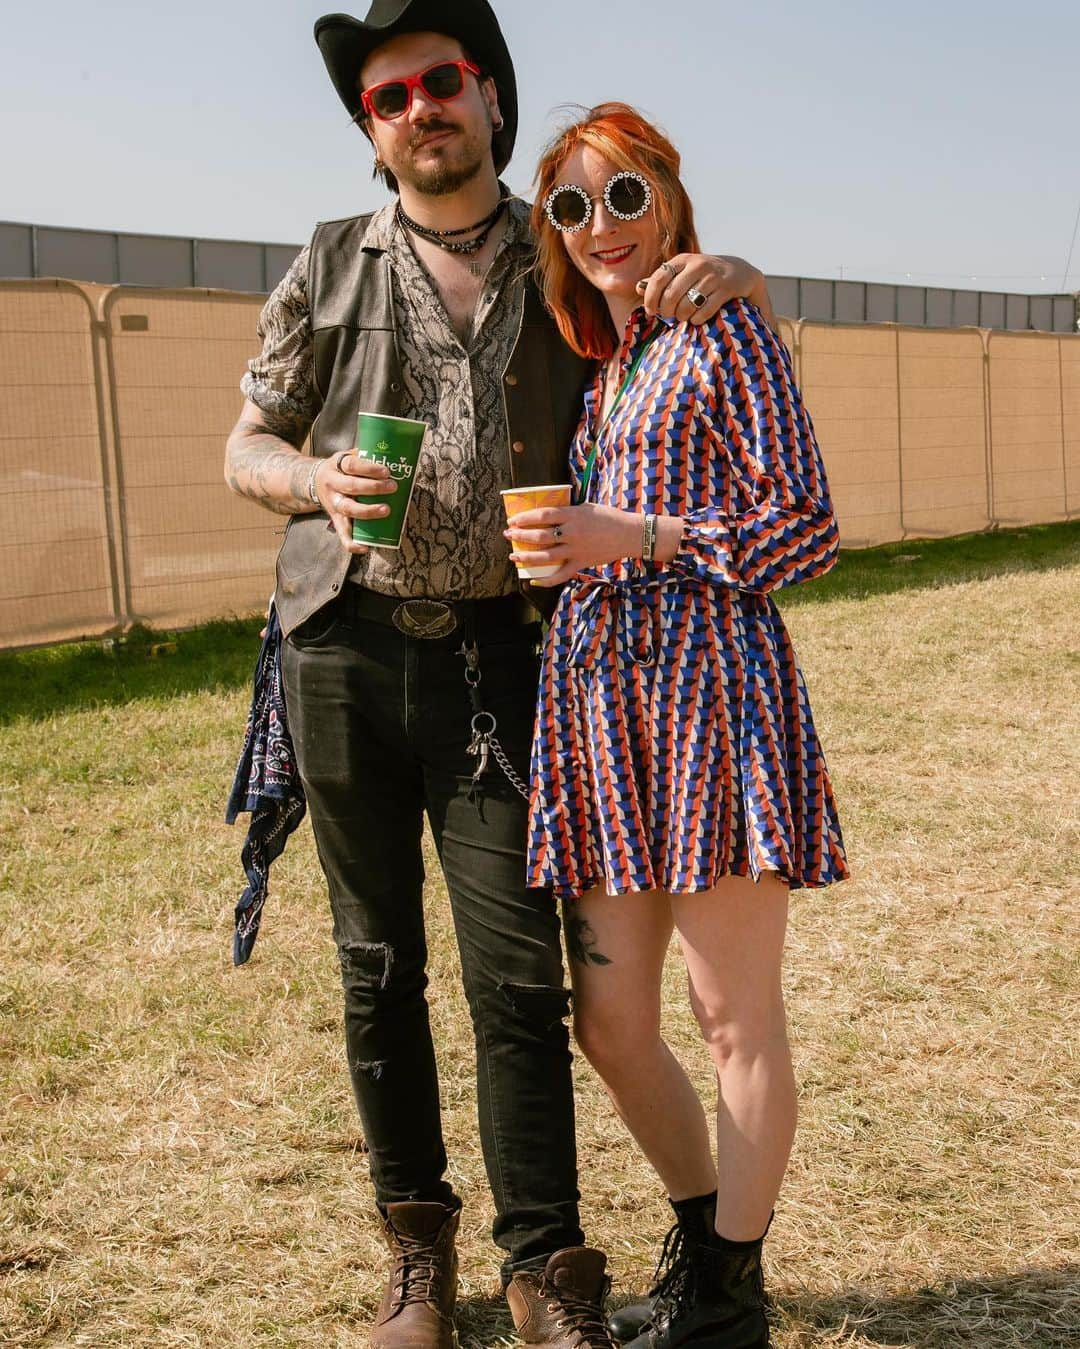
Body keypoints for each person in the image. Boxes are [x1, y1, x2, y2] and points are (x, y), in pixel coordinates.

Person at [224, 4, 776, 1346]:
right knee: (375, 965)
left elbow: (663, 289)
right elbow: (246, 437)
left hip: (503, 658)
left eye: (442, 82)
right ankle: (418, 1259)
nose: (420, 108)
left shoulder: (559, 254)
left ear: (486, 97)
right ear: (373, 131)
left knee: (521, 980)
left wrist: (740, 276)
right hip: (344, 646)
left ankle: (547, 1266)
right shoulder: (327, 262)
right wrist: (307, 477)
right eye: (390, 96)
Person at [504, 104, 849, 1349]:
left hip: (711, 699)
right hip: (603, 711)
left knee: (734, 1015)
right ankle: (707, 1235)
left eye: (626, 195)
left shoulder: (724, 325)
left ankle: (727, 1297)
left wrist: (632, 539)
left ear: (672, 198)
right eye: (574, 207)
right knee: (610, 1021)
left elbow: (805, 527)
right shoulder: (614, 360)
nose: (604, 227)